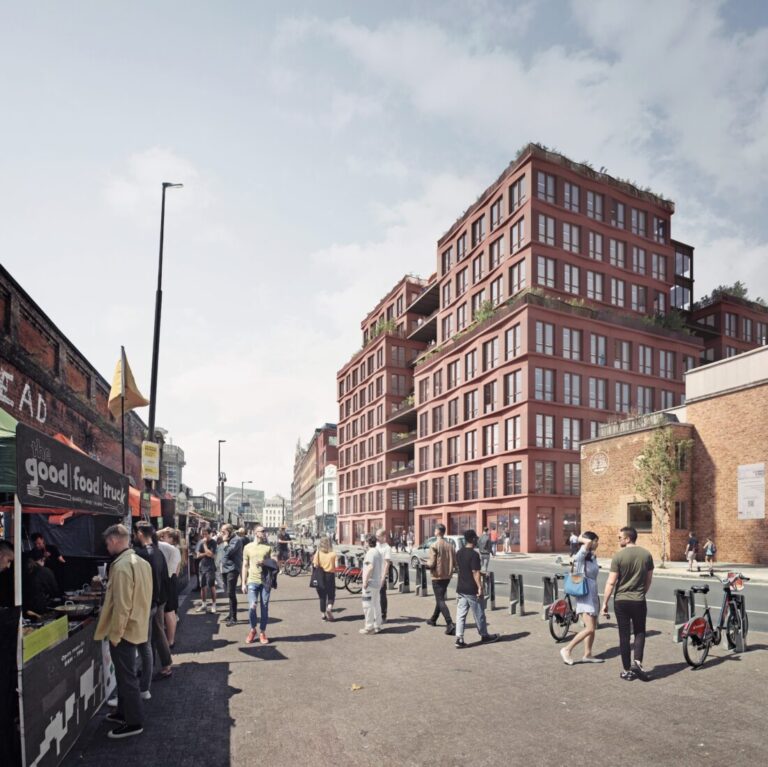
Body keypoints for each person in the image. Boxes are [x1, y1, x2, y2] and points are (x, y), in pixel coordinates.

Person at [94, 524, 152, 739]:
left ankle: (134, 721)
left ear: (115, 540)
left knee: (126, 676)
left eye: (107, 542)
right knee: (124, 674)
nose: (106, 546)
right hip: (136, 625)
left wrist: (116, 634)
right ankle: (123, 713)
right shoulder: (141, 562)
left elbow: (122, 605)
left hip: (125, 630)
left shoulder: (121, 566)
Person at [601, 526, 654, 681]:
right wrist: (642, 593)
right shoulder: (646, 555)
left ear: (627, 538)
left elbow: (611, 582)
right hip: (638, 600)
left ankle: (627, 671)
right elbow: (648, 580)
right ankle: (637, 662)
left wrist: (605, 603)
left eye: (620, 537)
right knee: (639, 632)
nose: (618, 540)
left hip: (621, 601)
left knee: (624, 636)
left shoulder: (618, 556)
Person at [134, 524, 173, 687]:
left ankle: (164, 666)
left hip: (154, 599)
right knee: (156, 632)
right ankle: (158, 666)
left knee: (155, 633)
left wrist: (153, 600)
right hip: (159, 597)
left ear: (140, 533)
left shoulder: (148, 553)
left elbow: (155, 579)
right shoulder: (157, 551)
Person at [559, 532, 604, 665]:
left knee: (592, 628)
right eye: (596, 541)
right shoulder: (581, 555)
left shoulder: (591, 557)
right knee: (589, 628)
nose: (597, 543)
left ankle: (587, 654)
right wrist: (577, 538)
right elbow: (587, 543)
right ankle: (567, 649)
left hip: (593, 593)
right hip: (585, 594)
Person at [454, 530, 498, 648]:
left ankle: (459, 638)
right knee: (479, 613)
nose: (477, 540)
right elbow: (475, 572)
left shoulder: (459, 553)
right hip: (471, 588)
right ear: (473, 539)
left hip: (461, 588)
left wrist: (479, 573)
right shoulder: (474, 555)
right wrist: (479, 587)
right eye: (476, 538)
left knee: (460, 614)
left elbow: (463, 568)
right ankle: (484, 635)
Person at [241, 526, 273, 645]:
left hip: (265, 581)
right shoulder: (247, 547)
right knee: (252, 606)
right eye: (262, 531)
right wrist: (243, 583)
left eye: (265, 531)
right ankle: (252, 629)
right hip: (252, 581)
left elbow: (275, 562)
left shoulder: (268, 547)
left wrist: (265, 562)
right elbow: (245, 565)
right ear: (256, 533)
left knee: (264, 607)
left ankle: (262, 632)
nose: (264, 533)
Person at [425, 523, 456, 635]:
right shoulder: (450, 546)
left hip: (437, 576)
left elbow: (432, 563)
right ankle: (433, 619)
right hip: (447, 575)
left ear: (438, 532)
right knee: (440, 598)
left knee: (440, 600)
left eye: (435, 530)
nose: (434, 531)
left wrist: (426, 564)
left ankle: (450, 623)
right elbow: (455, 562)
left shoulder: (434, 545)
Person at [156, 528, 181, 647]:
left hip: (167, 580)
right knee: (170, 611)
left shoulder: (166, 547)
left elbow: (151, 536)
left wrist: (161, 531)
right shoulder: (175, 549)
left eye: (164, 536)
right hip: (172, 579)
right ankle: (170, 640)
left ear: (171, 539)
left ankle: (169, 641)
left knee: (167, 611)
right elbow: (177, 570)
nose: (161, 537)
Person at [22, 548, 60, 615]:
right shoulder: (45, 571)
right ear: (42, 559)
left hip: (24, 608)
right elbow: (55, 590)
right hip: (40, 608)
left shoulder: (23, 570)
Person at [220, 524, 244, 627]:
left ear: (229, 531)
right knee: (229, 593)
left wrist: (225, 541)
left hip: (232, 569)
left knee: (231, 593)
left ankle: (234, 618)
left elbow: (229, 552)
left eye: (223, 531)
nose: (221, 533)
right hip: (225, 569)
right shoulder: (229, 538)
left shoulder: (236, 540)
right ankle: (230, 615)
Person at [360, 534, 383, 635]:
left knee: (367, 605)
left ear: (368, 542)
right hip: (377, 583)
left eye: (365, 542)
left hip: (370, 583)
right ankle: (377, 625)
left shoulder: (370, 553)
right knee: (376, 604)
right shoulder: (377, 552)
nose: (364, 544)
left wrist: (365, 582)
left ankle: (369, 627)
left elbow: (370, 567)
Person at [312, 535, 337, 621]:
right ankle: (329, 608)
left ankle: (323, 615)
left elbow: (315, 565)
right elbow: (336, 566)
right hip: (330, 576)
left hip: (320, 576)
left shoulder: (318, 553)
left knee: (322, 596)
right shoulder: (333, 554)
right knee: (331, 594)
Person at [195, 528, 218, 613]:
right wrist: (205, 553)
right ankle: (204, 604)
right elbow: (198, 555)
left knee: (211, 586)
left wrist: (204, 544)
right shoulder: (200, 542)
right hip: (202, 567)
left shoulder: (213, 542)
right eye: (203, 534)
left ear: (210, 534)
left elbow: (211, 554)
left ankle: (214, 605)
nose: (204, 536)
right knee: (202, 586)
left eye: (205, 534)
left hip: (210, 567)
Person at [375, 528, 393, 623]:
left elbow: (387, 563)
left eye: (378, 536)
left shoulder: (387, 548)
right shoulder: (376, 545)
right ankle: (376, 615)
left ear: (383, 537)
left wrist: (383, 577)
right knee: (375, 596)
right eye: (376, 536)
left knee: (382, 595)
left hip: (381, 575)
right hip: (374, 575)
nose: (377, 538)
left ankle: (383, 616)